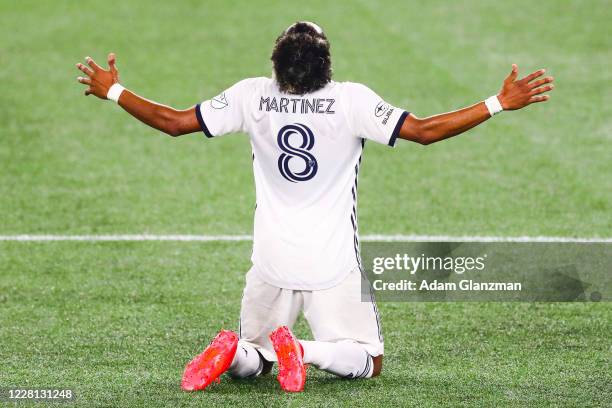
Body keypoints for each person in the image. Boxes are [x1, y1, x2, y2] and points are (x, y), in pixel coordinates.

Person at [75, 21, 554, 392]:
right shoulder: (350, 101)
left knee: (253, 357)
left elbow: (173, 122)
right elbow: (425, 131)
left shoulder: (251, 96)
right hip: (331, 265)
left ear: (276, 64)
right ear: (326, 66)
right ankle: (302, 349)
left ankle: (239, 352)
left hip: (270, 262)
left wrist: (113, 90)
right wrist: (498, 102)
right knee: (370, 361)